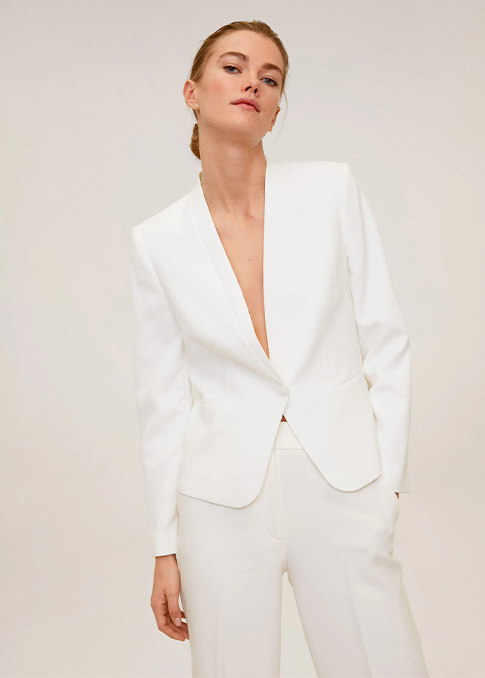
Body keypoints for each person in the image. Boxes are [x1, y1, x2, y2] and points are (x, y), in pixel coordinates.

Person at [130, 19, 430, 678]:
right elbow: (161, 401)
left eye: (270, 78)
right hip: (218, 497)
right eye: (233, 67)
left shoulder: (331, 191)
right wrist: (164, 545)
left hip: (342, 475)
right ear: (192, 91)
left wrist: (387, 485)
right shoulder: (157, 241)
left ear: (274, 110)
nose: (253, 84)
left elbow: (387, 339)